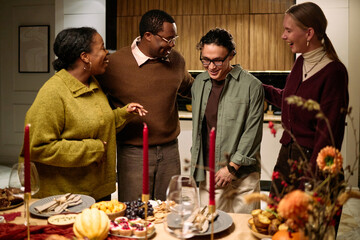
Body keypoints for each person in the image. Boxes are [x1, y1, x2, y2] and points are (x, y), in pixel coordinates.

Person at [19, 27, 147, 201]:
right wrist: (93, 149)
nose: (107, 52)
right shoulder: (52, 93)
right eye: (102, 48)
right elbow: (37, 147)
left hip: (96, 190)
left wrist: (124, 114)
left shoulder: (92, 84)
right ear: (84, 56)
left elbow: (98, 124)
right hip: (65, 199)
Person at [99, 9, 193, 202]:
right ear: (148, 36)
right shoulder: (113, 64)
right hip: (132, 152)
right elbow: (93, 100)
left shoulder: (176, 60)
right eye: (167, 39)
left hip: (170, 151)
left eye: (174, 38)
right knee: (135, 213)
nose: (172, 44)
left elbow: (191, 88)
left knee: (169, 210)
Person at [263, 2, 349, 197]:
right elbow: (289, 101)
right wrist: (257, 87)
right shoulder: (300, 62)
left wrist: (310, 182)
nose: (283, 36)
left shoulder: (334, 73)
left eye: (288, 30)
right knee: (275, 223)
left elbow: (328, 135)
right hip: (286, 158)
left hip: (315, 165)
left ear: (309, 33)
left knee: (303, 225)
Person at [190, 28, 264, 213]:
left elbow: (252, 132)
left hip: (244, 175)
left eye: (218, 60)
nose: (211, 66)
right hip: (210, 173)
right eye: (205, 60)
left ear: (231, 55)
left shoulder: (252, 86)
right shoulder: (199, 83)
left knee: (244, 230)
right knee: (212, 226)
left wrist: (231, 167)